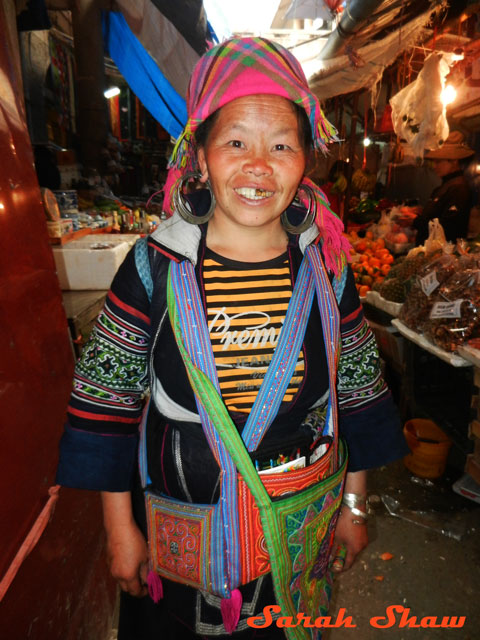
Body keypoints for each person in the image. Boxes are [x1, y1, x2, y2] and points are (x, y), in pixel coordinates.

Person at [56, 37, 408, 639]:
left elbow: (358, 397)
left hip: (296, 542)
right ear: (201, 154)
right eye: (235, 142)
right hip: (184, 553)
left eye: (280, 145)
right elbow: (103, 409)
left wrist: (353, 506)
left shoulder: (328, 270)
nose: (257, 166)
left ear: (305, 159)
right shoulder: (151, 267)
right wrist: (120, 530)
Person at [413, 131, 475, 245]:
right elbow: (437, 214)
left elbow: (447, 226)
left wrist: (415, 221)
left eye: (438, 162)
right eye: (434, 162)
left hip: (442, 255)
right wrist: (423, 212)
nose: (435, 166)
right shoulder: (446, 186)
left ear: (454, 162)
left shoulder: (459, 188)